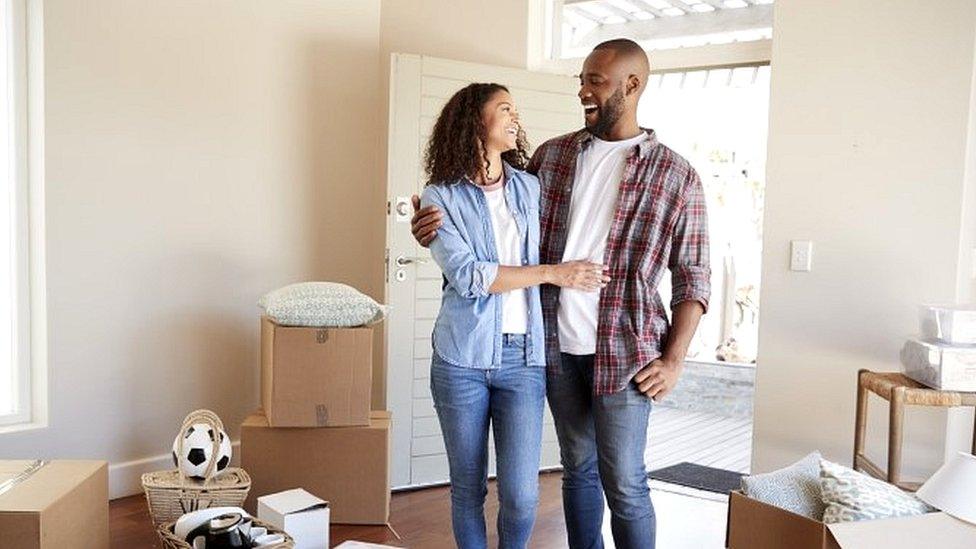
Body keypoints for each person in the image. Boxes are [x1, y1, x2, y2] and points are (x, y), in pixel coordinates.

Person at [411, 39, 711, 549]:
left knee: (627, 483)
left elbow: (694, 275)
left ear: (631, 85)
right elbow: (491, 217)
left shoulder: (675, 174)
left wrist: (675, 358)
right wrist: (428, 228)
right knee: (578, 470)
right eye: (582, 79)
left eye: (595, 80)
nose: (583, 91)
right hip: (549, 348)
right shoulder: (553, 157)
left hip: (627, 352)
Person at [419, 82, 610, 549]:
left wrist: (563, 272)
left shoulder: (529, 187)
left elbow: (572, 230)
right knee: (466, 489)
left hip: (523, 361)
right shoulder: (439, 195)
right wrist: (552, 273)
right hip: (460, 359)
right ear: (474, 120)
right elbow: (469, 277)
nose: (515, 117)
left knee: (523, 495)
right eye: (505, 108)